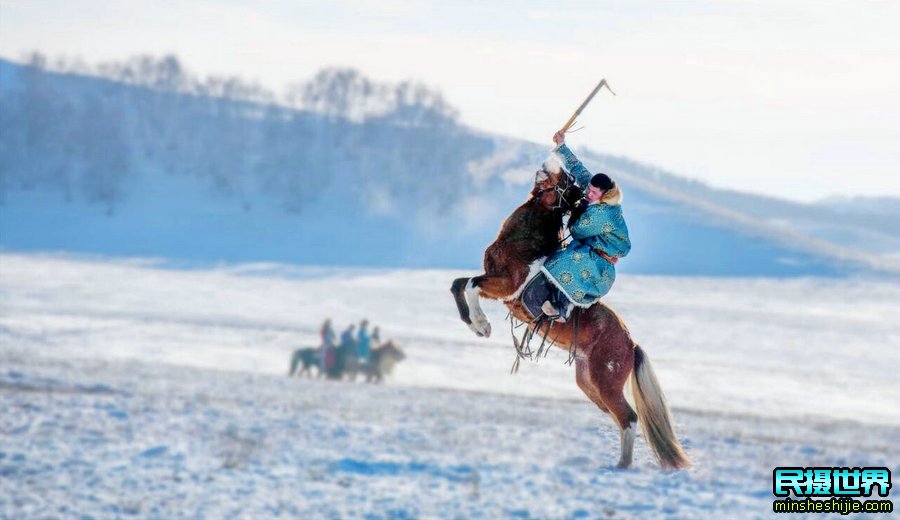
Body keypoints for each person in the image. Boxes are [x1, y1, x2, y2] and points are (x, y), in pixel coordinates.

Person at [539, 131, 631, 321]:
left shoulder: (605, 213)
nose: (589, 193)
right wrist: (561, 145)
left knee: (570, 260)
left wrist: (578, 210)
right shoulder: (596, 192)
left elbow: (578, 230)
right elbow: (578, 170)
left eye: (593, 192)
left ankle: (562, 308)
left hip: (600, 264)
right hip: (590, 250)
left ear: (604, 194)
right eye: (589, 189)